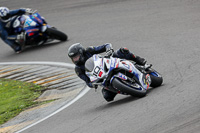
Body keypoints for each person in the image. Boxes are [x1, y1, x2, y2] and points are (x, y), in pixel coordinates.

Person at [68, 43, 147, 102]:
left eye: (76, 57)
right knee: (107, 97)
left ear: (81, 53)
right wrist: (92, 84)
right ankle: (125, 86)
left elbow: (106, 45)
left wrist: (108, 49)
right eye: (73, 58)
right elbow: (87, 81)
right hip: (102, 78)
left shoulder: (89, 50)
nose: (75, 60)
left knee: (122, 51)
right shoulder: (78, 69)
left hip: (107, 64)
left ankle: (139, 60)